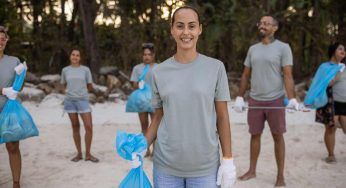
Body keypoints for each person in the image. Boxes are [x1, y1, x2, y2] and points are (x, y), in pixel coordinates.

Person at [141, 6, 236, 188]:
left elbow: (222, 117)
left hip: (205, 168)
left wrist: (228, 160)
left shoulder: (215, 68)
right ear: (172, 30)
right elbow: (158, 117)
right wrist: (142, 147)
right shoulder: (158, 72)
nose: (186, 32)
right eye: (180, 26)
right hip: (165, 168)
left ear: (199, 29)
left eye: (191, 26)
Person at [234, 16, 299, 187]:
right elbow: (246, 75)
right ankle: (252, 170)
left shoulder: (283, 48)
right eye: (261, 23)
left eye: (266, 23)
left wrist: (292, 98)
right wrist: (240, 97)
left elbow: (288, 75)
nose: (262, 25)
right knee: (254, 135)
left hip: (275, 99)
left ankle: (280, 176)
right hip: (255, 100)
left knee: (278, 136)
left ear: (275, 28)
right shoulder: (253, 49)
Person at [60, 48, 99, 163]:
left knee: (88, 127)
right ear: (70, 56)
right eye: (73, 55)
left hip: (83, 100)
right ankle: (79, 154)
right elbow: (62, 84)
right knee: (75, 127)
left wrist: (85, 92)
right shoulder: (65, 70)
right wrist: (68, 92)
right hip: (70, 101)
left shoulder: (85, 70)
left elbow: (90, 85)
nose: (75, 57)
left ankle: (88, 154)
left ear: (80, 58)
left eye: (77, 55)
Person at [315, 43, 345, 163]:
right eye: (340, 49)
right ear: (333, 51)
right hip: (331, 102)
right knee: (331, 129)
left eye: (344, 49)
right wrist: (338, 71)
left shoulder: (344, 66)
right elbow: (325, 84)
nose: (343, 51)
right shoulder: (325, 67)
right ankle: (331, 155)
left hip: (345, 102)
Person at [0, 26, 22, 188]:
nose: (1, 41)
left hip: (10, 110)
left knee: (13, 146)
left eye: (3, 38)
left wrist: (16, 89)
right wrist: (2, 90)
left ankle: (16, 183)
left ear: (7, 41)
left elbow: (18, 86)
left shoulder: (14, 61)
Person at [130, 43, 157, 157]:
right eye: (145, 55)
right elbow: (133, 84)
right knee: (144, 127)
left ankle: (156, 151)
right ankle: (146, 150)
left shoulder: (159, 68)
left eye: (149, 55)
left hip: (155, 101)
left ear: (153, 55)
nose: (147, 57)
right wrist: (138, 85)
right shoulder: (137, 68)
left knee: (155, 127)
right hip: (141, 101)